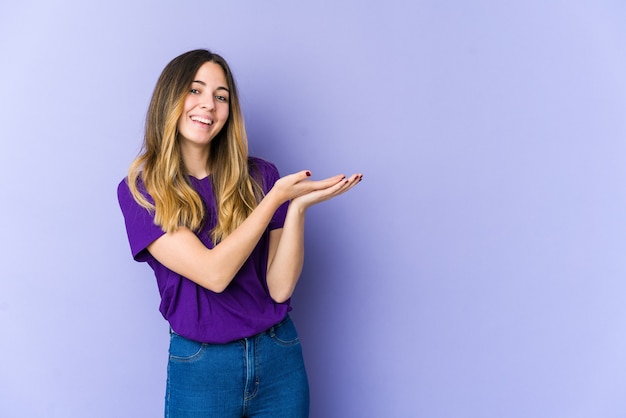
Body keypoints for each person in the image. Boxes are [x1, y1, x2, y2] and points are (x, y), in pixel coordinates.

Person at [117, 49, 362, 417]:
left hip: (279, 354)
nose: (208, 105)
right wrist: (275, 198)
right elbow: (214, 274)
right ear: (170, 99)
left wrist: (295, 208)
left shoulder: (260, 177)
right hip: (202, 367)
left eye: (221, 96)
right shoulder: (142, 191)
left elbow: (279, 288)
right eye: (195, 90)